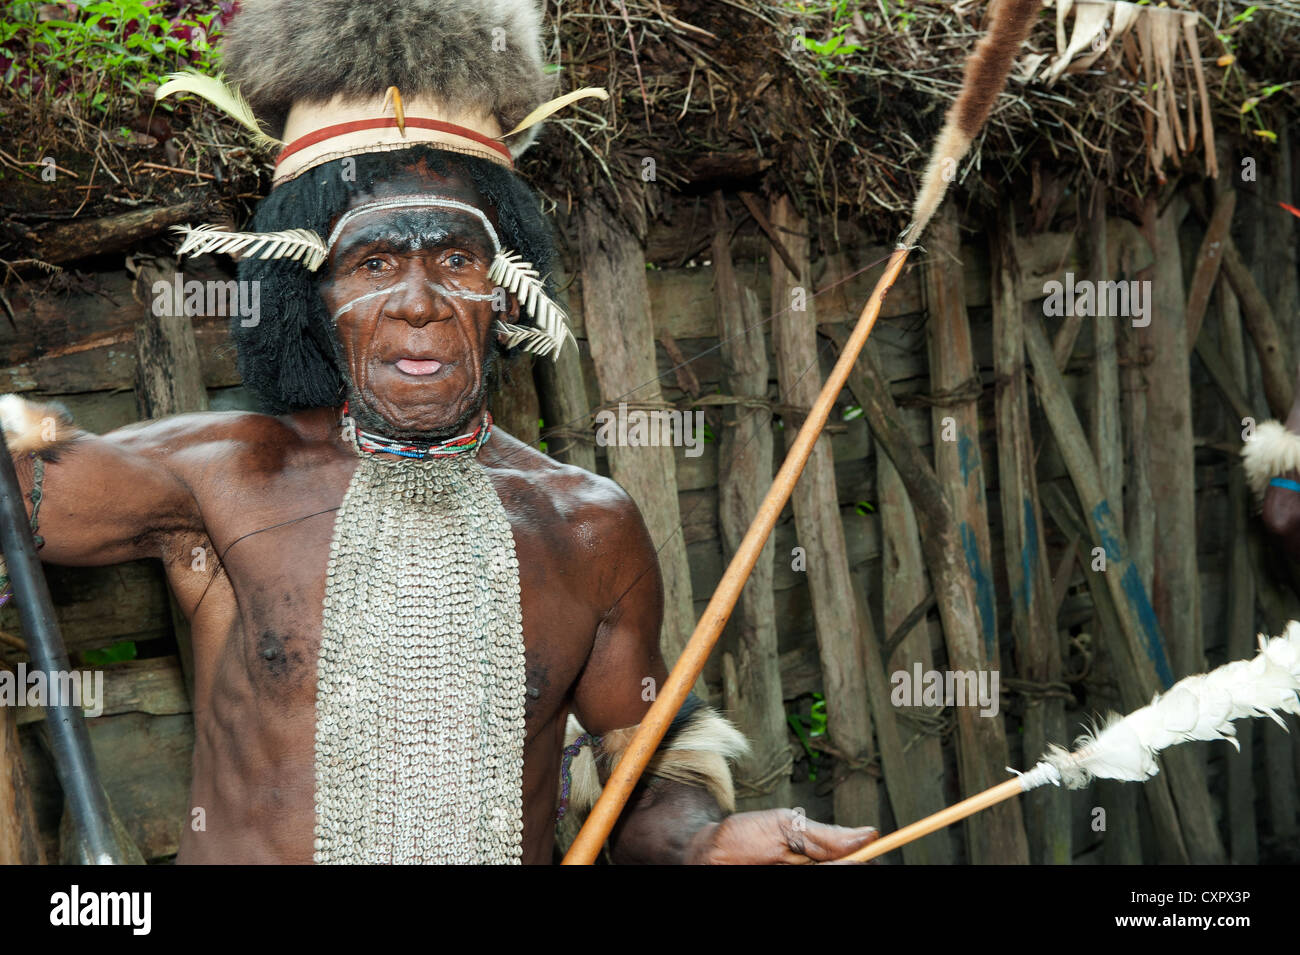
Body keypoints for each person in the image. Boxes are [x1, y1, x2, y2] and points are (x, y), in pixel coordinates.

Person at [0, 0, 877, 865]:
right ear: (315, 295)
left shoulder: (589, 526)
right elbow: (27, 494)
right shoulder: (220, 478)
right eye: (373, 263)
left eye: (456, 260)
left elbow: (639, 772)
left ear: (506, 291)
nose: (418, 303)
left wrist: (704, 841)